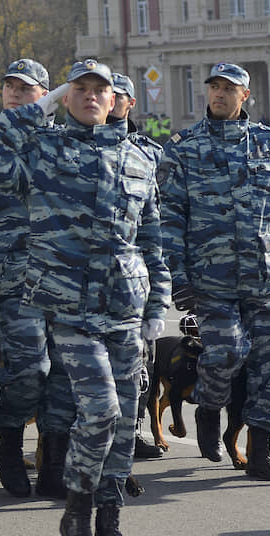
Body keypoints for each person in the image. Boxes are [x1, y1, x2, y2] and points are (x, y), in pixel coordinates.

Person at [0, 59, 169, 536]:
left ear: (115, 101)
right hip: (68, 309)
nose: (92, 96)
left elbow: (152, 241)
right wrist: (36, 109)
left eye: (102, 90)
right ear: (66, 97)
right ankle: (77, 504)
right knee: (100, 410)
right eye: (80, 89)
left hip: (125, 309)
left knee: (126, 417)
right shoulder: (42, 151)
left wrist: (158, 306)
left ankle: (109, 517)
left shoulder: (139, 159)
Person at [159, 62, 270, 483]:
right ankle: (210, 408)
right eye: (214, 87)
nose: (220, 94)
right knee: (225, 351)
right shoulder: (184, 147)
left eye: (230, 88)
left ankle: (260, 452)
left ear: (245, 96)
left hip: (262, 278)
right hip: (210, 280)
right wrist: (179, 278)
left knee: (268, 365)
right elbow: (169, 218)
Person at [0, 57, 79, 500]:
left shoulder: (66, 144)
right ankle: (8, 445)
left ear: (45, 96)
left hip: (64, 284)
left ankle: (55, 464)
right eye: (9, 87)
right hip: (13, 284)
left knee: (63, 375)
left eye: (25, 89)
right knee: (28, 372)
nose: (14, 95)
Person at [111, 72, 165, 461]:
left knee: (140, 364)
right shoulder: (67, 146)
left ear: (130, 103)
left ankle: (135, 430)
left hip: (136, 279)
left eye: (119, 96)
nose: (110, 101)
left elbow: (157, 220)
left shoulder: (149, 152)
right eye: (105, 94)